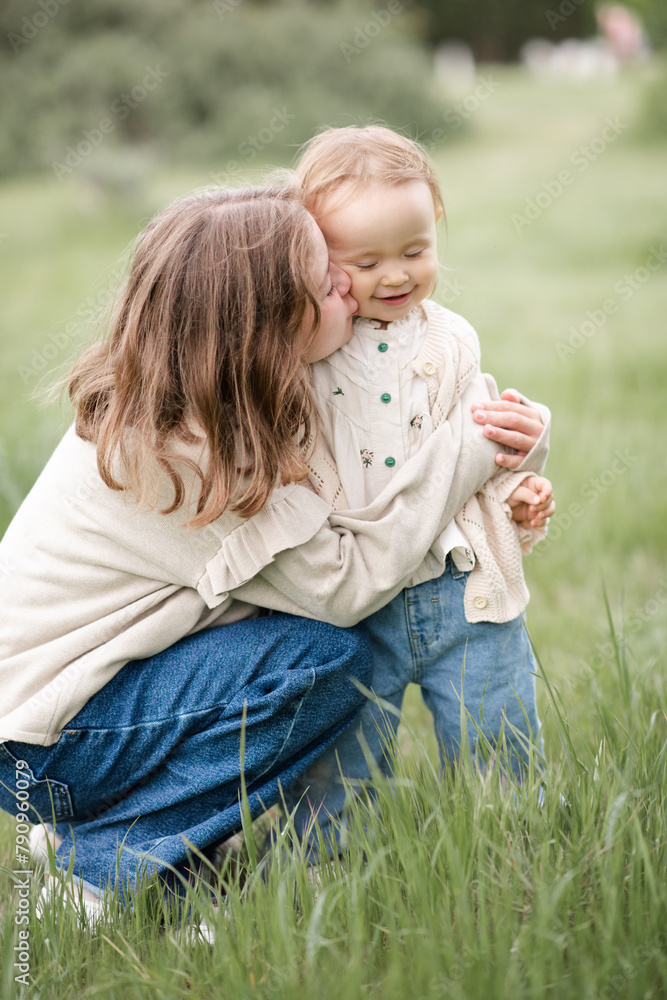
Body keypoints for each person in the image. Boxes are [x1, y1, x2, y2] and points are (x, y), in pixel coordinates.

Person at [0, 185, 547, 924]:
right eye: (327, 283)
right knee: (322, 664)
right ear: (266, 329)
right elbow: (347, 584)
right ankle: (97, 869)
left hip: (63, 722)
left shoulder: (195, 396)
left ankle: (119, 838)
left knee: (291, 657)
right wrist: (471, 449)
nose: (351, 289)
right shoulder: (189, 458)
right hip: (41, 748)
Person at [283, 126, 554, 855]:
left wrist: (520, 475)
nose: (394, 275)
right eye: (364, 261)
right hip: (353, 601)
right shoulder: (309, 352)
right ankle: (327, 871)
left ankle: (510, 856)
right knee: (339, 763)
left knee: (497, 732)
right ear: (316, 260)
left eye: (414, 250)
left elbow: (482, 438)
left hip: (460, 590)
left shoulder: (451, 341)